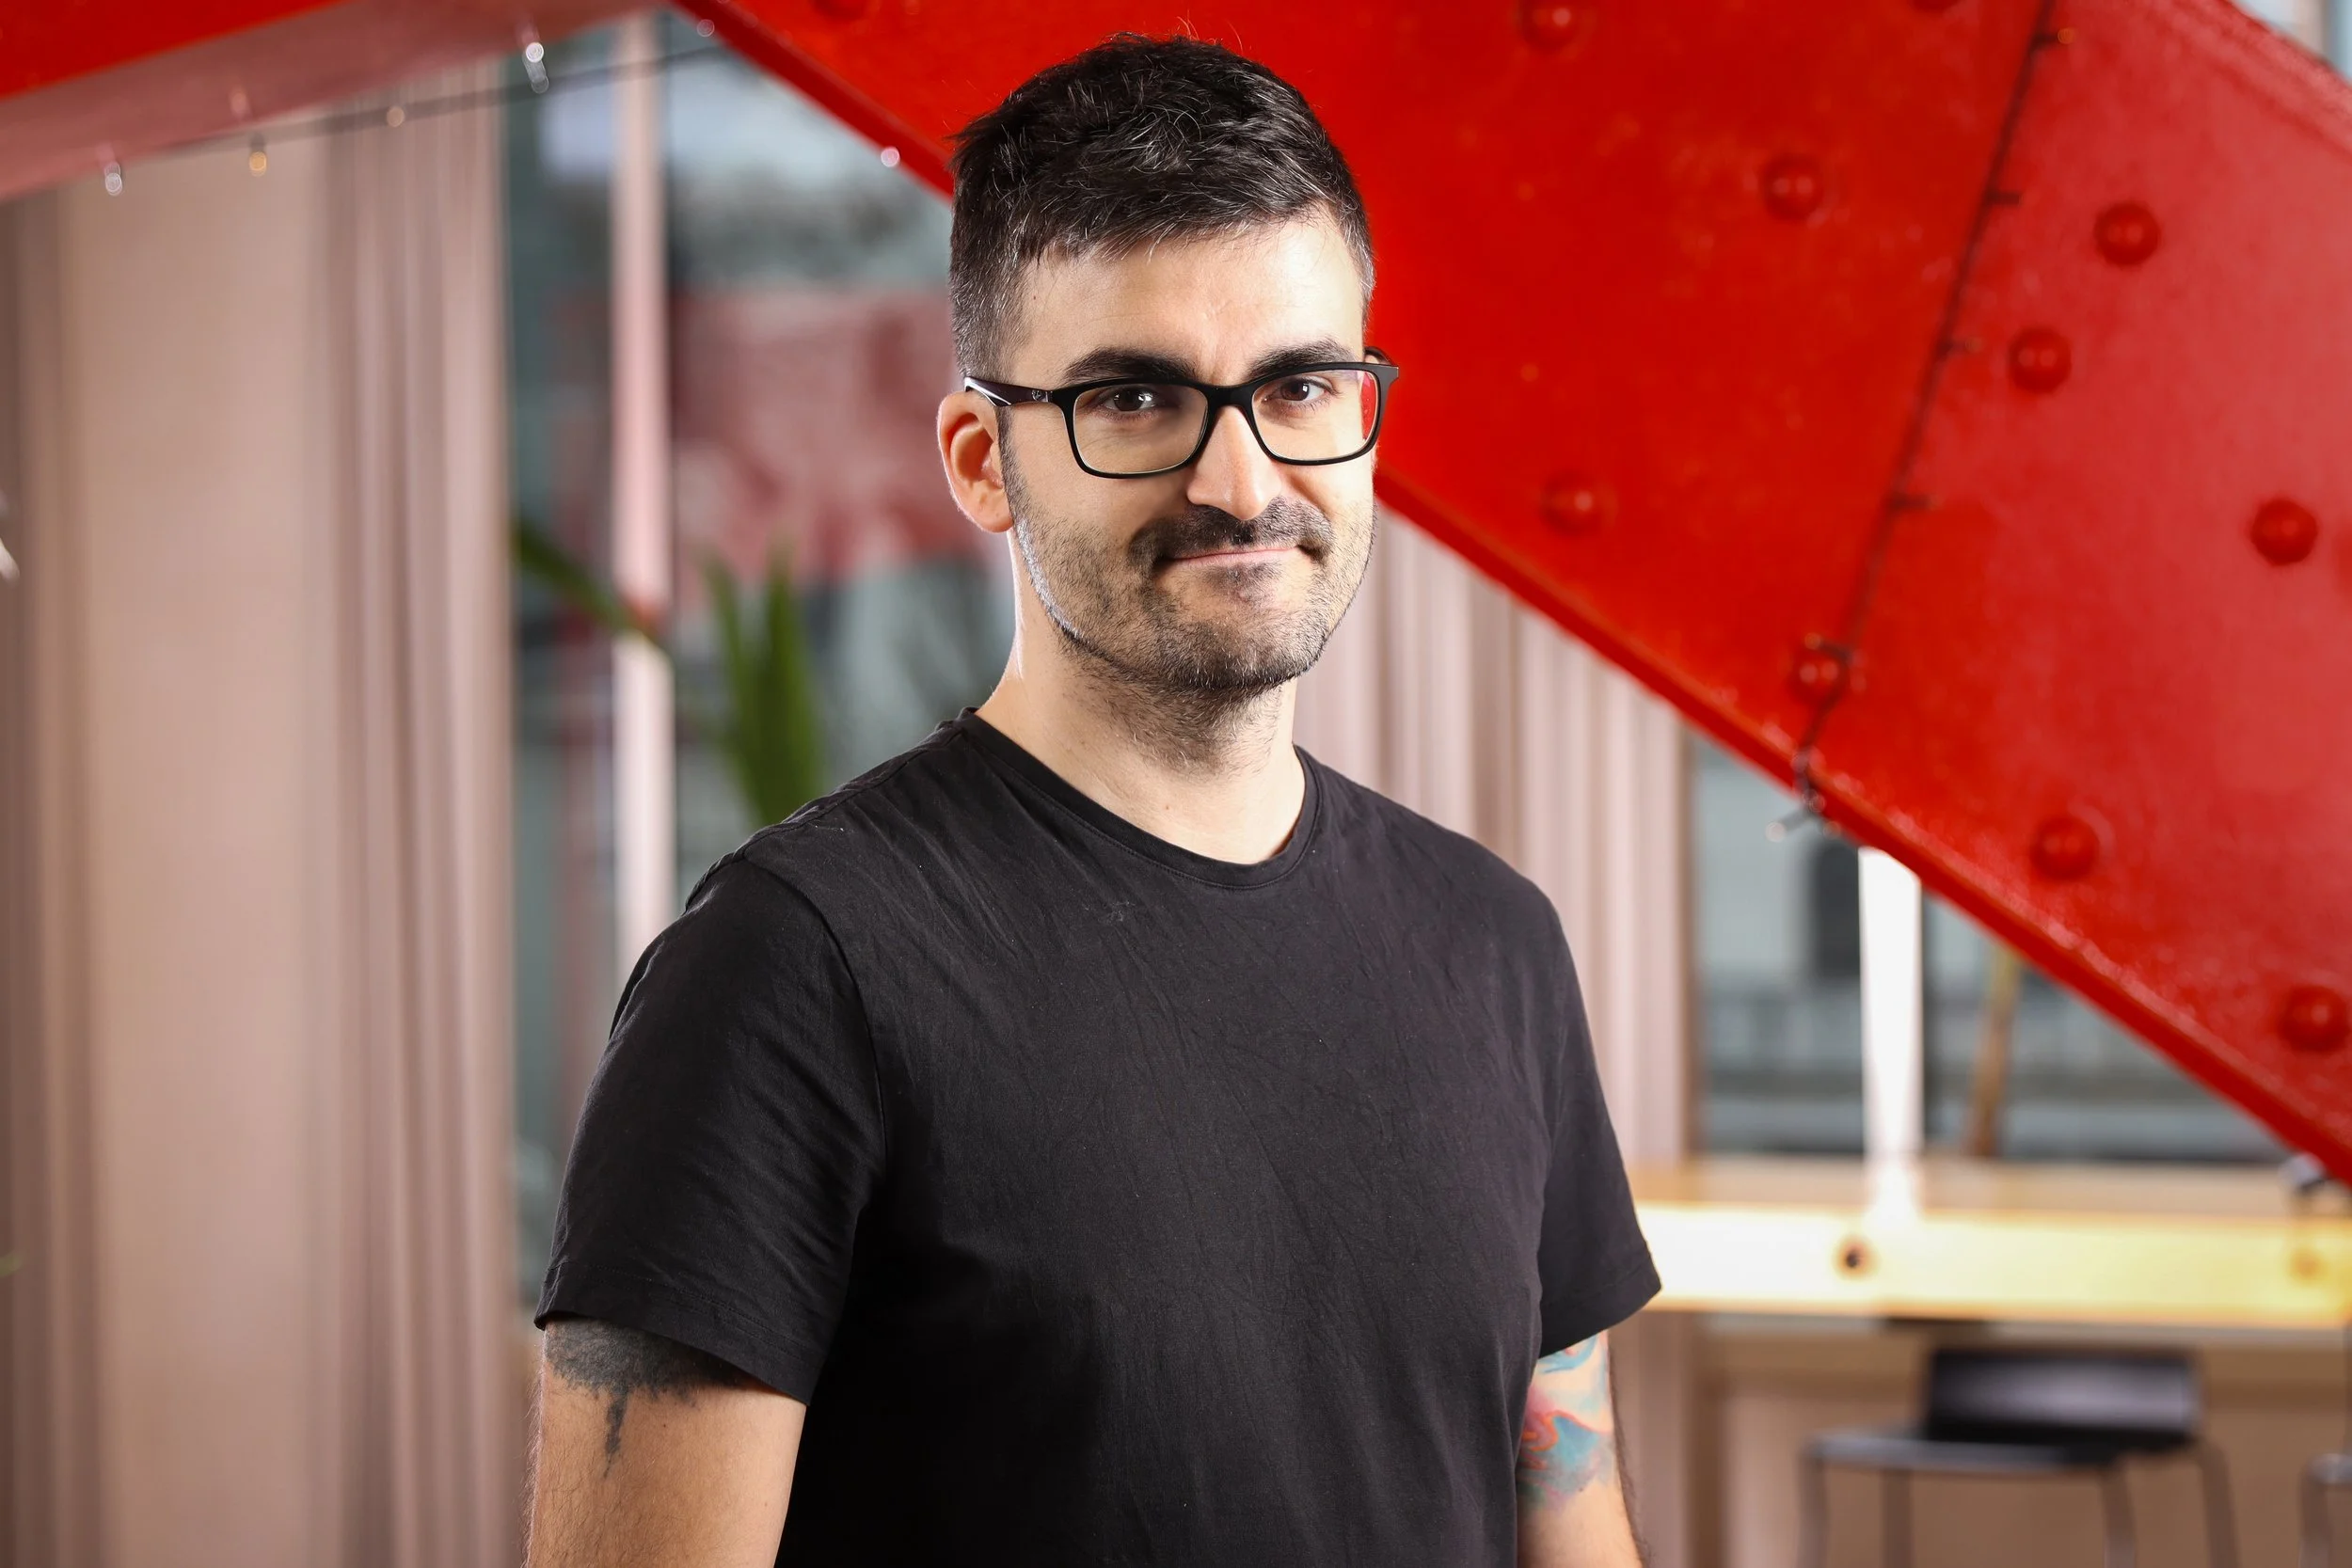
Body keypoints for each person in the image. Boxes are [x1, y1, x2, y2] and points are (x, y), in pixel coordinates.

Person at [528, 34, 1658, 1568]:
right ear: (983, 458)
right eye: (1137, 399)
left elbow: (1570, 1528)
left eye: (1303, 385)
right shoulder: (792, 974)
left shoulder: (1496, 946)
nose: (1243, 479)